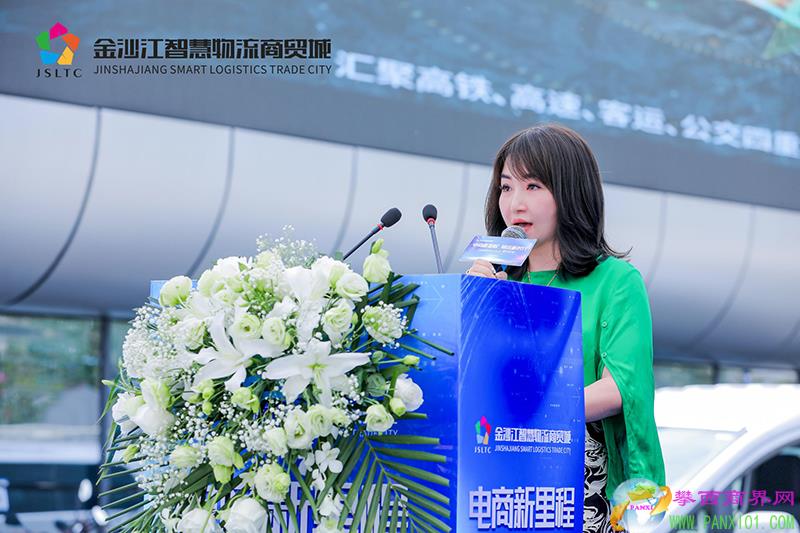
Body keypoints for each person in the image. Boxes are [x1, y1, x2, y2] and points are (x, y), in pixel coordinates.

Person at [466, 123, 665, 533]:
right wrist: (473, 305)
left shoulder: (616, 282)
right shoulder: (498, 282)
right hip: (500, 485)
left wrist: (529, 410)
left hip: (583, 492)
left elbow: (621, 389)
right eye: (506, 187)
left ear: (571, 192)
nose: (515, 203)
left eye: (533, 186)